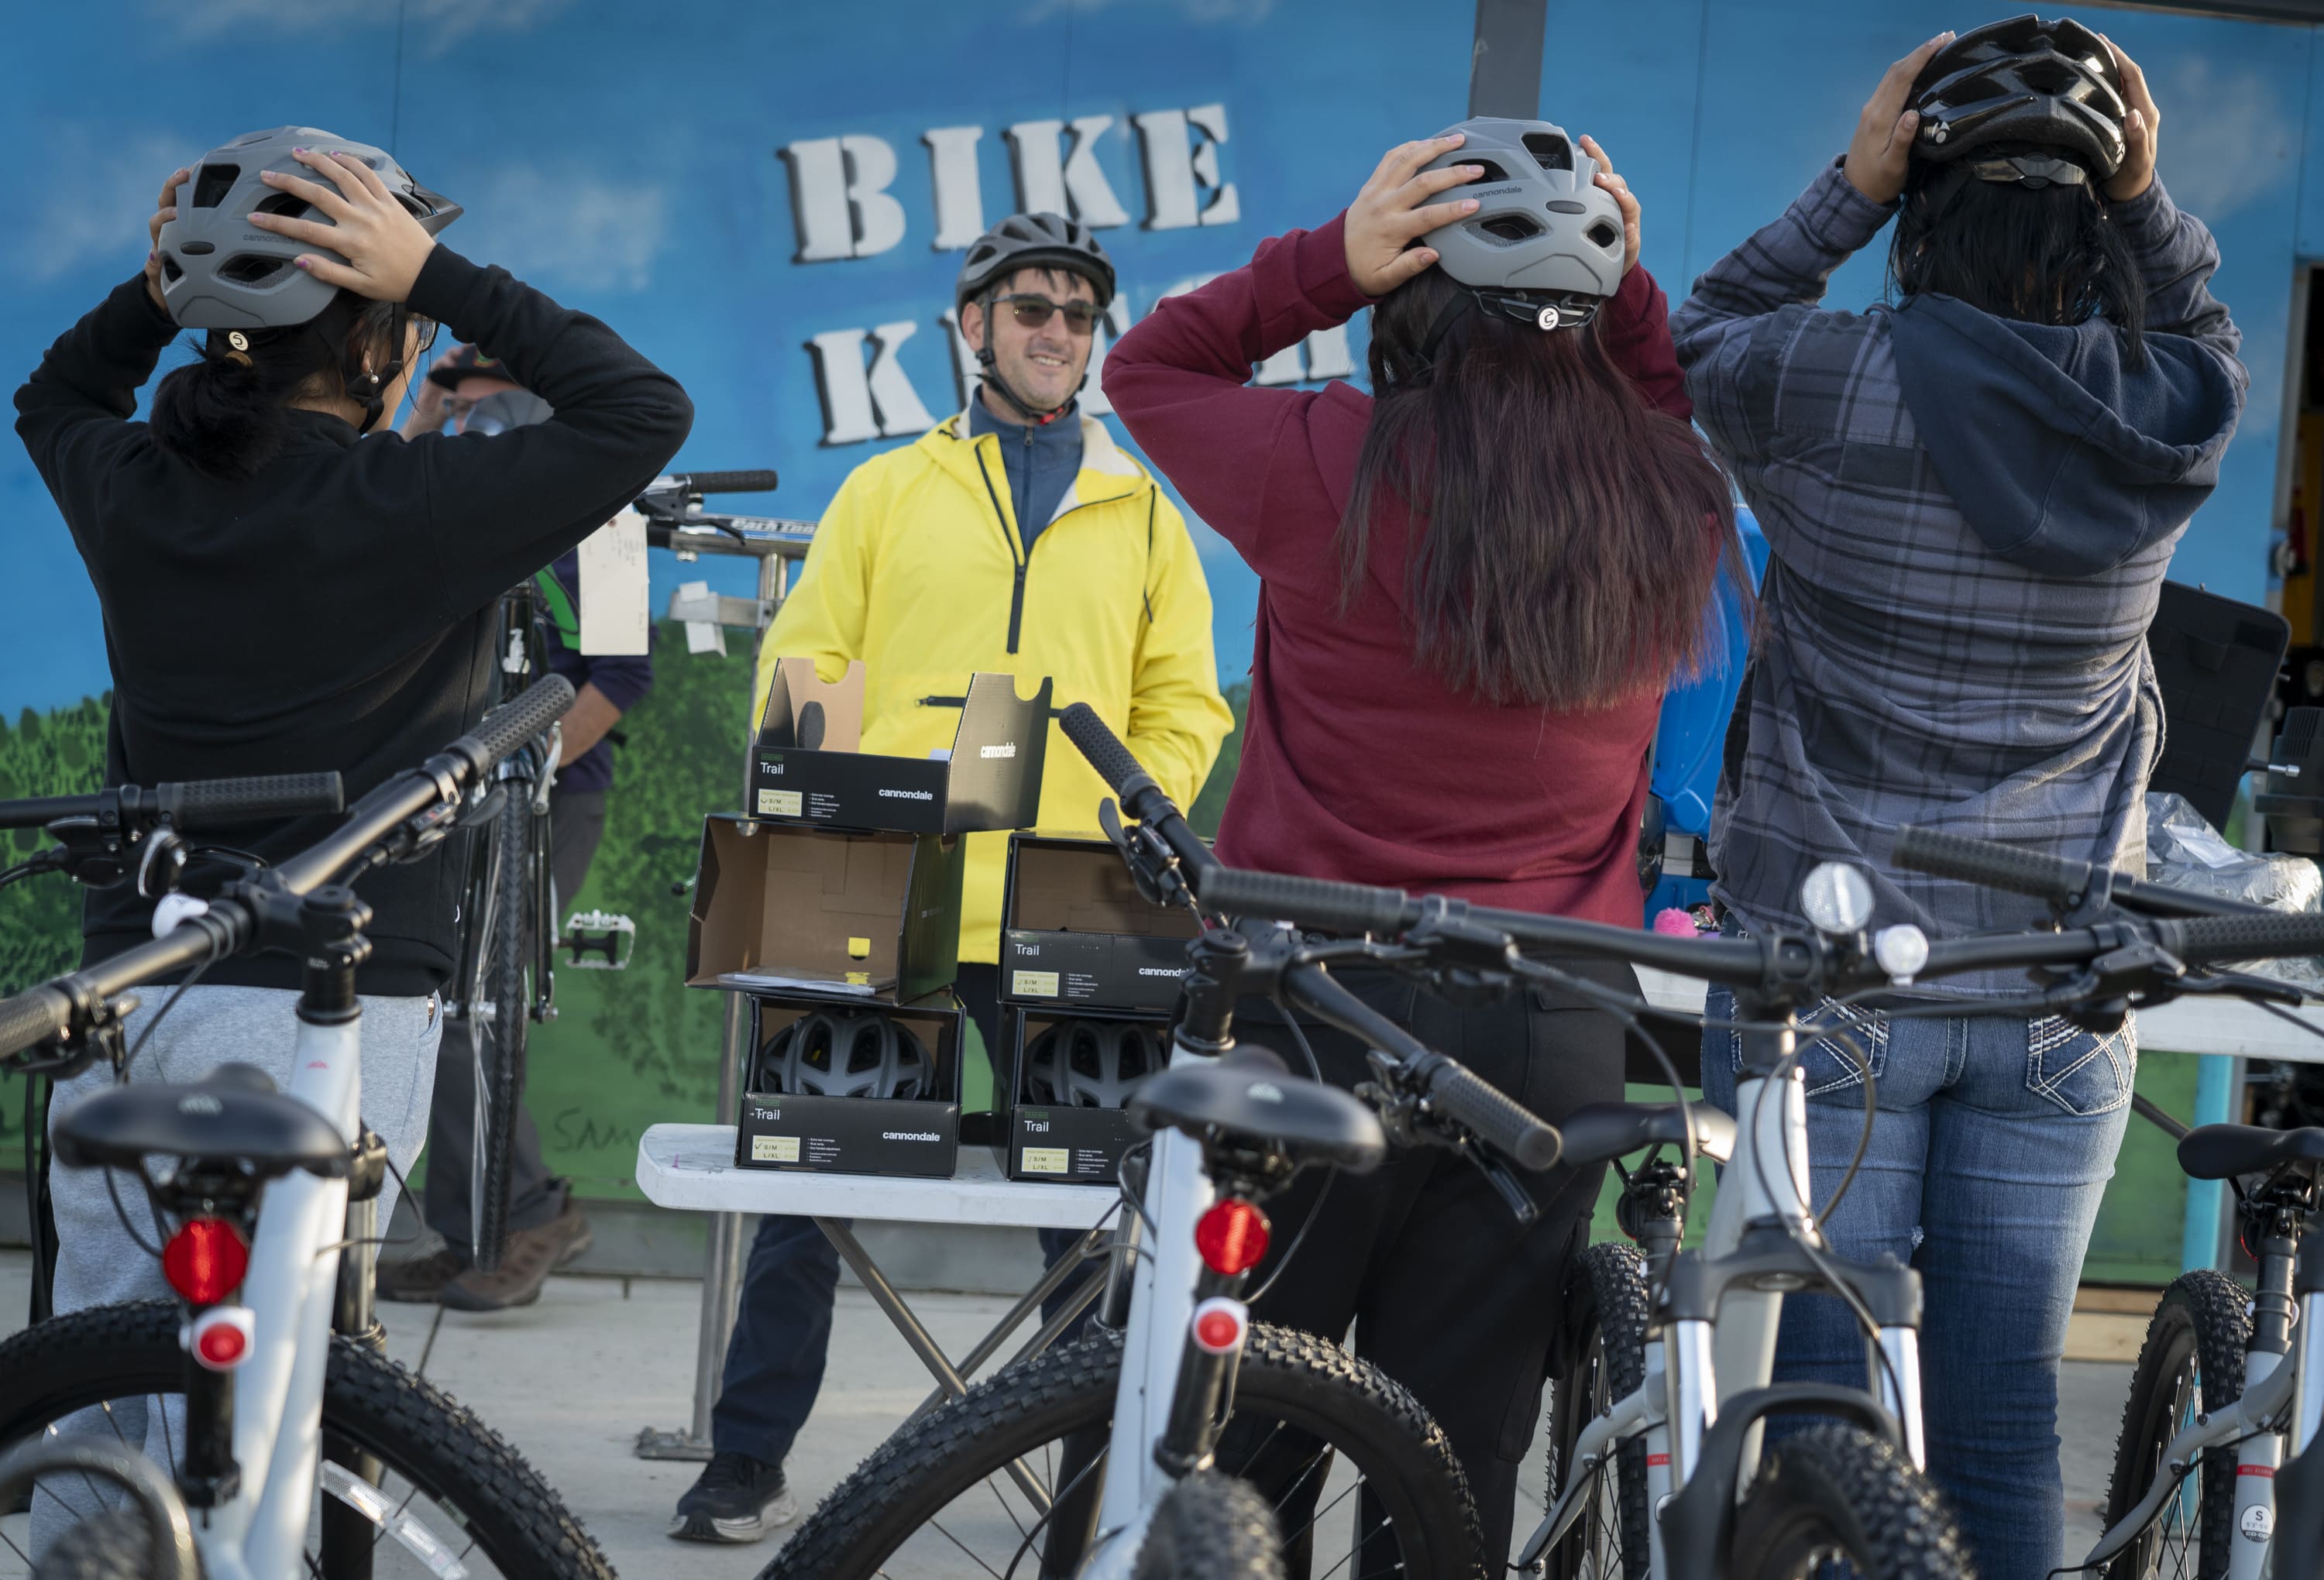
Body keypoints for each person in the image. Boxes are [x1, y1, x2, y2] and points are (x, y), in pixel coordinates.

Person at [12, 125, 690, 1516]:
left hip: (129, 984)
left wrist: (162, 290)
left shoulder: (134, 488)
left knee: (102, 1389)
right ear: (382, 344)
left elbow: (53, 393)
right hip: (336, 1000)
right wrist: (444, 270)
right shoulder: (422, 502)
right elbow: (641, 411)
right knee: (264, 1399)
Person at [1102, 122, 1739, 1570]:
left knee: (1236, 1432)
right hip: (1554, 1029)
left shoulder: (1324, 457)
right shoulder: (1672, 502)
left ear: (1411, 303)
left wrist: (1324, 260)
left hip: (1315, 1013)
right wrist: (1620, 290)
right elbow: (1669, 397)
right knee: (1455, 1454)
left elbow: (1151, 368)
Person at [1669, 22, 2245, 1579]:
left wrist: (1846, 187)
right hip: (2056, 989)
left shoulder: (1825, 382)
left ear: (1917, 211)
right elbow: (2207, 336)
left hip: (1831, 974)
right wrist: (2147, 200)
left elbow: (1705, 325)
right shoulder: (2161, 422)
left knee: (1822, 1407)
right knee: (2001, 1415)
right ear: (2093, 231)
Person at [666, 212, 1233, 1544]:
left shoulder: (1144, 510)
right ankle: (747, 1459)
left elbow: (1185, 703)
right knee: (809, 1194)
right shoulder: (884, 489)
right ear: (971, 325)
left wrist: (1121, 816)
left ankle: (1087, 1470)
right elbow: (804, 665)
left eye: (1080, 314)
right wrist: (851, 798)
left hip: (1076, 900)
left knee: (1097, 1214)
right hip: (887, 889)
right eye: (1031, 306)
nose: (1057, 331)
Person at [376, 343, 656, 1311]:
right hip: (447, 792)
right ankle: (472, 1231)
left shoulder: (604, 518)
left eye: (485, 407)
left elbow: (622, 675)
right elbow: (361, 487)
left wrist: (526, 776)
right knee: (437, 1010)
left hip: (547, 798)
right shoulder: (437, 496)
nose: (466, 424)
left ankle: (527, 1212)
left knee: (472, 1012)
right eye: (456, 409)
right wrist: (420, 411)